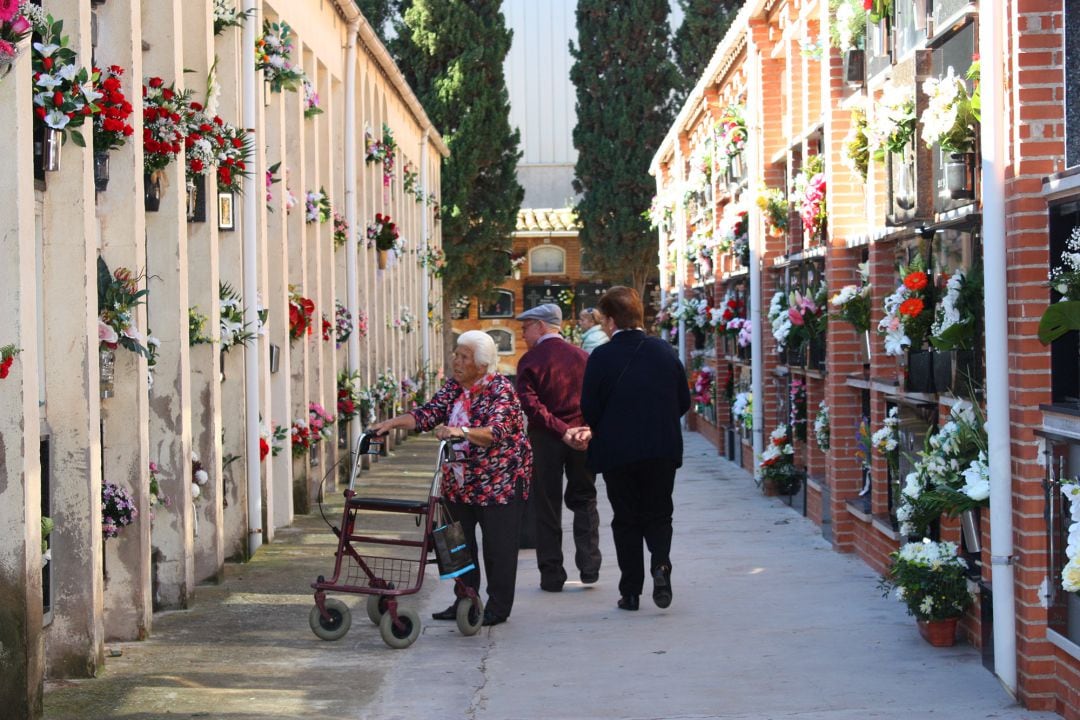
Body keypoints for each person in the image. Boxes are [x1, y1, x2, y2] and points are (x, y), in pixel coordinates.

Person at [369, 331, 532, 627]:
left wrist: (463, 431)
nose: (455, 361)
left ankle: (498, 607)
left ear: (481, 365)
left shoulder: (501, 391)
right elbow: (428, 414)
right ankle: (465, 599)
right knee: (457, 544)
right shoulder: (455, 388)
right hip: (460, 482)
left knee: (499, 548)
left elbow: (496, 432)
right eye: (456, 354)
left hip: (499, 483)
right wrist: (391, 424)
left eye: (463, 356)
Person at [574, 286, 690, 612]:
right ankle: (661, 564)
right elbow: (684, 401)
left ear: (610, 321)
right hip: (661, 449)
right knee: (659, 512)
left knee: (626, 518)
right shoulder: (665, 352)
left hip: (617, 452)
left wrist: (609, 427)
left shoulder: (602, 357)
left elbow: (589, 406)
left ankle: (631, 592)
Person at [515, 303, 602, 593]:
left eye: (526, 327)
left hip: (546, 439)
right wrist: (586, 428)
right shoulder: (584, 357)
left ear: (541, 326)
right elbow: (596, 398)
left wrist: (561, 431)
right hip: (582, 437)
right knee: (585, 498)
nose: (523, 334)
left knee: (547, 504)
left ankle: (551, 574)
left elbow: (531, 405)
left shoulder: (531, 361)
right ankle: (589, 565)